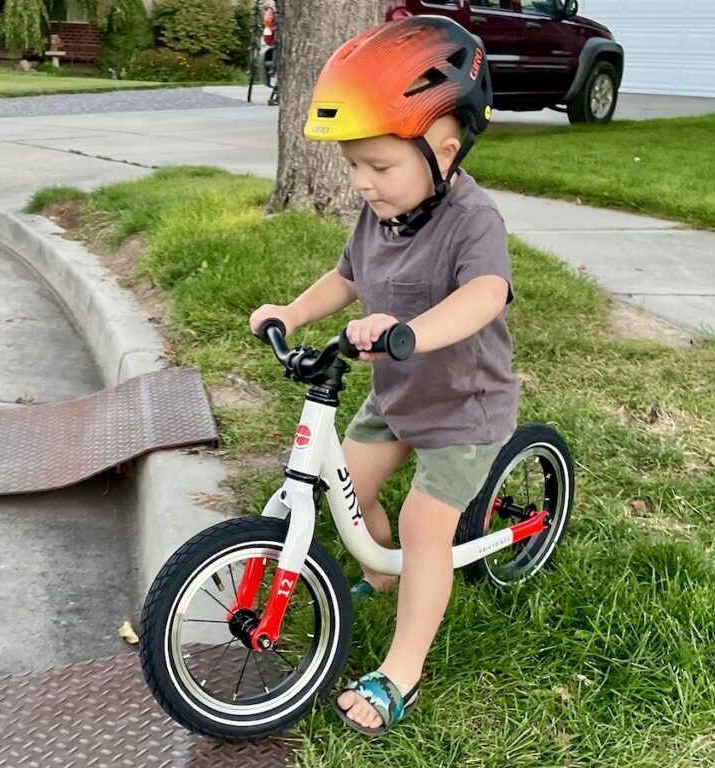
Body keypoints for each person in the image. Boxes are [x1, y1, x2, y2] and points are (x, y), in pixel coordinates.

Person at [249, 15, 519, 736]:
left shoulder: (473, 220)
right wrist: (293, 311)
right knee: (348, 491)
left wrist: (408, 332)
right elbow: (345, 277)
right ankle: (379, 574)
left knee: (421, 523)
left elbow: (484, 295)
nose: (364, 184)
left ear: (445, 151)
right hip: (398, 396)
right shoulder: (382, 215)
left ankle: (402, 672)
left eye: (379, 166)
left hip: (464, 406)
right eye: (354, 167)